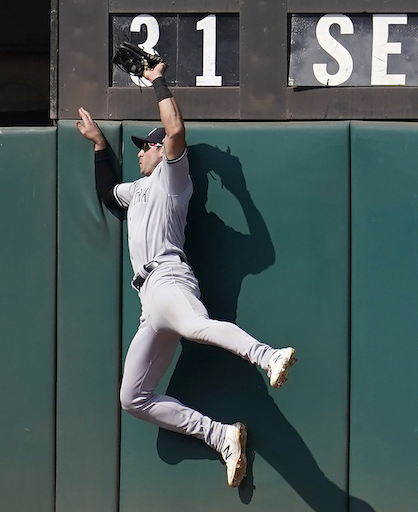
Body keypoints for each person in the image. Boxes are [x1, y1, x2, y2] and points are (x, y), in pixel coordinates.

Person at [75, 61, 296, 488]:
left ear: (162, 154)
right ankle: (222, 435)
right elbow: (107, 193)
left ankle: (267, 356)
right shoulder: (136, 190)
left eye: (146, 146)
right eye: (139, 147)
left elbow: (174, 130)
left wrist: (156, 80)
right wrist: (100, 143)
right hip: (149, 303)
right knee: (132, 398)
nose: (141, 151)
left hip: (169, 278)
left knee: (195, 326)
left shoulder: (172, 179)